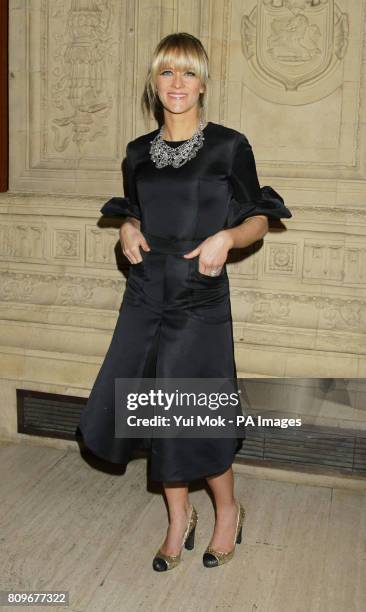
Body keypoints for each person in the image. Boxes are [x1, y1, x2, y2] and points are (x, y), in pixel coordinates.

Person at [78, 32, 292, 571]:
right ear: (154, 82)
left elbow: (259, 218)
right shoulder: (136, 153)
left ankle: (226, 508)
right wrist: (127, 227)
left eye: (189, 72)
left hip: (199, 294)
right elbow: (137, 211)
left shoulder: (229, 146)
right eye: (167, 72)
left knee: (197, 409)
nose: (178, 84)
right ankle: (178, 517)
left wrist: (227, 238)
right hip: (147, 291)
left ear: (203, 83)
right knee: (153, 406)